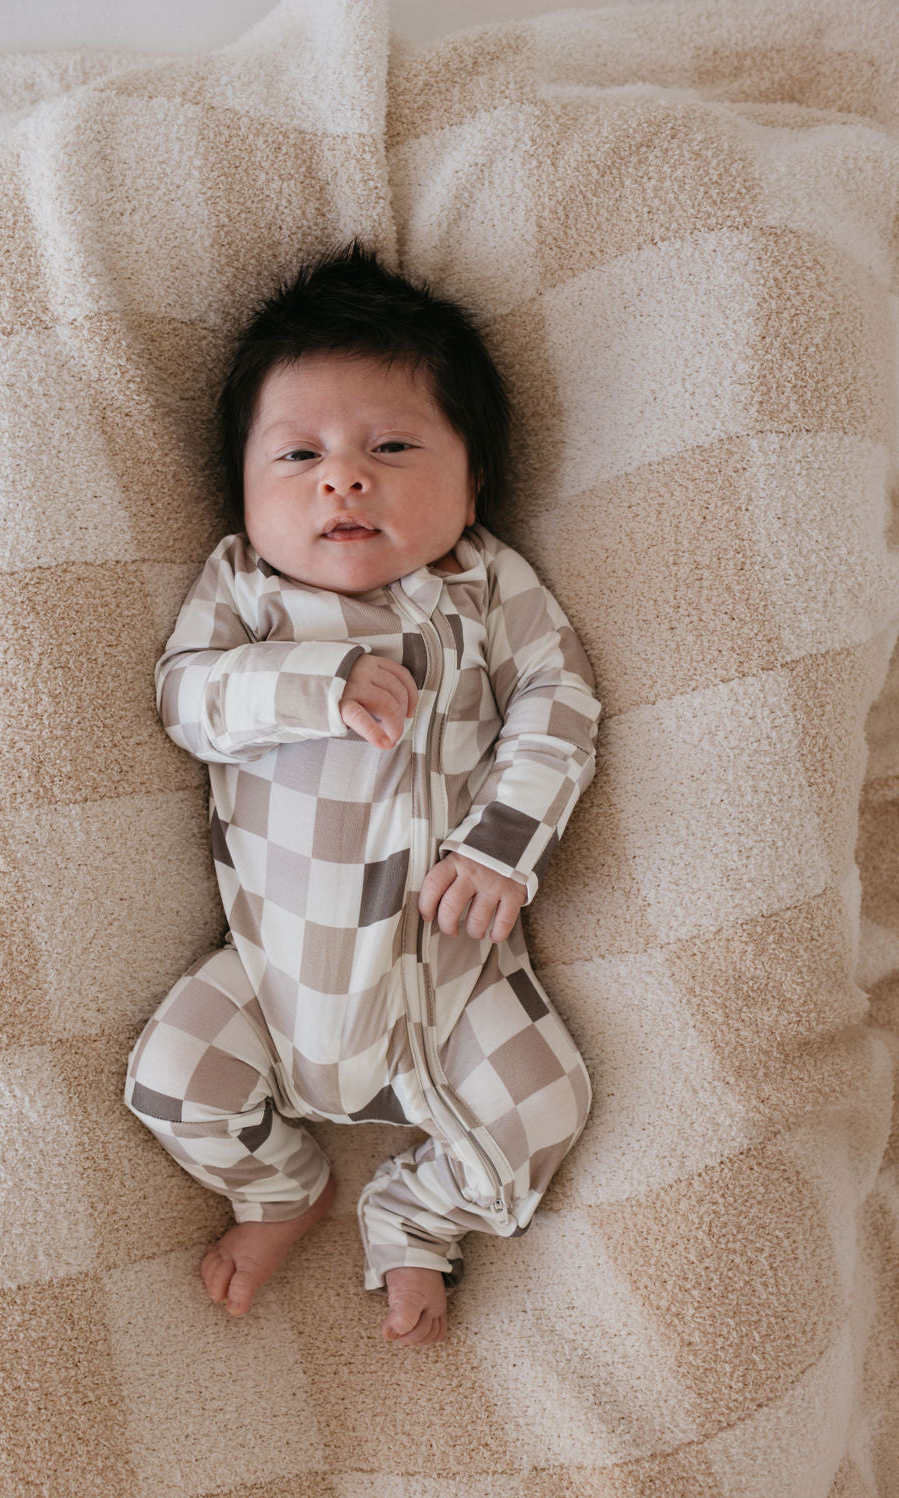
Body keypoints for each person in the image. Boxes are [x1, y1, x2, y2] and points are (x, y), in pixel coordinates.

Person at [125, 245, 601, 1346]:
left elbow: (560, 698)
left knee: (547, 1103)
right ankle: (282, 1186)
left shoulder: (486, 585)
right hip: (271, 975)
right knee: (169, 1079)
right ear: (243, 490)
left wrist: (498, 845)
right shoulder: (245, 588)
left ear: (472, 481)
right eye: (298, 453)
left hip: (452, 972)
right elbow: (186, 699)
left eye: (391, 447)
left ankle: (417, 1211)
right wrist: (314, 685)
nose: (343, 477)